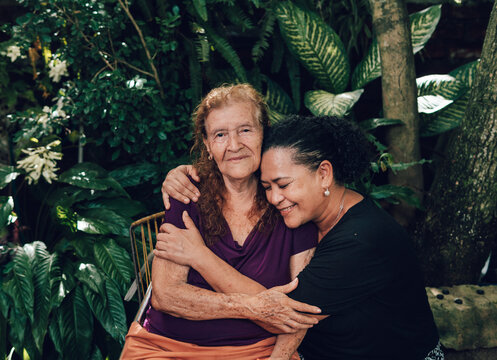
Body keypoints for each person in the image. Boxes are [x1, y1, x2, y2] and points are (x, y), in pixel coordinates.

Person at [157, 114, 442, 360]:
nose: (274, 197)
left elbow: (283, 312)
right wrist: (182, 175)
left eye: (283, 184)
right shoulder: (308, 218)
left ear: (324, 174)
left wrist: (199, 256)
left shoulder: (363, 238)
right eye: (267, 186)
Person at [120, 84, 321, 360]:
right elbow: (166, 296)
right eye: (220, 134)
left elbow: (299, 309)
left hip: (257, 352)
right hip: (167, 347)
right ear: (207, 145)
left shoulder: (288, 200)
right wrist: (254, 306)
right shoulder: (187, 192)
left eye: (245, 130)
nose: (234, 145)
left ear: (265, 132)